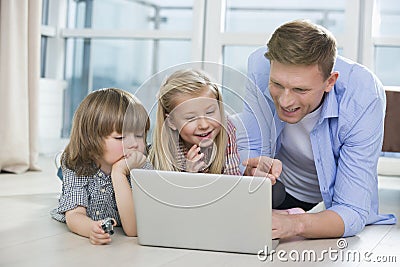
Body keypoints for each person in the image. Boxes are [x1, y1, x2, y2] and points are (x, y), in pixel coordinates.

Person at [237, 19, 397, 239]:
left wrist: (294, 224)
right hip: (280, 185)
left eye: (300, 89)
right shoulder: (259, 64)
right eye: (277, 85)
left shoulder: (363, 94)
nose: (285, 101)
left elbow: (352, 210)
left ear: (330, 81)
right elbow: (251, 146)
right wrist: (248, 171)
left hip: (324, 192)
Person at [50, 88, 152, 245]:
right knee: (68, 167)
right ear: (92, 140)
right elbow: (74, 215)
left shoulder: (140, 165)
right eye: (120, 137)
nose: (134, 144)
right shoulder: (77, 164)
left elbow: (133, 229)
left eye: (139, 135)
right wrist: (91, 228)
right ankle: (61, 168)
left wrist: (118, 173)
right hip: (87, 165)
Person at [149, 69, 241, 175]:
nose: (204, 125)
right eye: (191, 118)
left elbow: (232, 184)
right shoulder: (168, 147)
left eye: (210, 112)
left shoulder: (225, 129)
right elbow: (167, 190)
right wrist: (190, 176)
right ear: (171, 122)